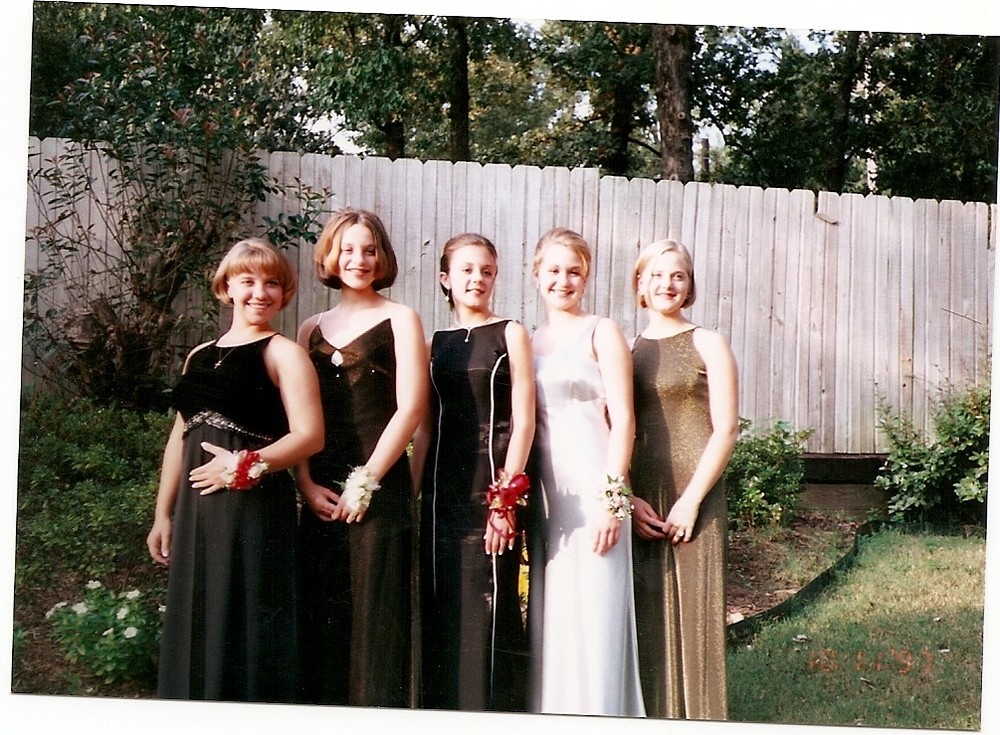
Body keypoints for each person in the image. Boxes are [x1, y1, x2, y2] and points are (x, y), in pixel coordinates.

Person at [146, 238, 324, 702]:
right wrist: (163, 513)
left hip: (253, 509)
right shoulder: (199, 354)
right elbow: (179, 438)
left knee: (247, 619)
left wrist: (246, 465)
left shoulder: (284, 353)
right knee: (199, 612)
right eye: (248, 281)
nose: (259, 293)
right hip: (196, 511)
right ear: (226, 288)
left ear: (284, 293)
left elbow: (310, 436)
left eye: (272, 283)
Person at [295, 208, 428, 707]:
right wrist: (305, 484)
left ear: (382, 257)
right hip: (321, 491)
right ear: (330, 256)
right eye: (347, 249)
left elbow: (411, 408)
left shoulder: (401, 318)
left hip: (380, 485)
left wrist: (366, 481)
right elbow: (299, 419)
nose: (358, 259)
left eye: (369, 250)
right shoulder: (310, 328)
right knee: (325, 615)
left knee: (377, 616)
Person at [411, 232, 535, 711]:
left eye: (486, 271)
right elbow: (425, 427)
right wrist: (412, 493)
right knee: (443, 605)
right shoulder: (435, 343)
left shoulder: (510, 333)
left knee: (490, 604)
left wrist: (505, 501)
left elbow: (524, 421)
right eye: (466, 270)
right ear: (445, 278)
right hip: (442, 496)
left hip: (492, 491)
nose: (476, 279)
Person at [526, 228, 645, 717]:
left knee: (596, 611)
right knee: (555, 615)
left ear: (587, 276)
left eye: (574, 271)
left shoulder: (602, 331)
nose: (564, 280)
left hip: (597, 490)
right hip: (550, 497)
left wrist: (612, 500)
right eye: (554, 270)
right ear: (536, 275)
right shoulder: (527, 340)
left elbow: (625, 420)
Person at [629, 239, 739, 720]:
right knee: (647, 614)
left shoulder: (708, 342)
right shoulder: (629, 348)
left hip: (696, 491)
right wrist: (628, 498)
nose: (667, 284)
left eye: (678, 275)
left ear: (690, 285)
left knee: (696, 613)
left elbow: (726, 429)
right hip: (644, 495)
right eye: (657, 275)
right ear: (640, 284)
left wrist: (692, 500)